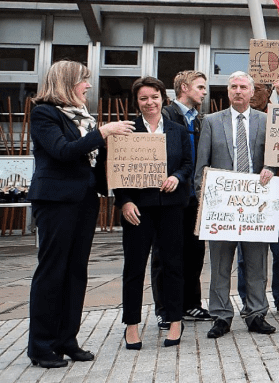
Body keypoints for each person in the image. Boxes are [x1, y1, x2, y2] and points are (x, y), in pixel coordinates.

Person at [26, 61, 133, 368]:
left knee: (76, 272)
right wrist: (102, 132)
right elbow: (62, 151)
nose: (88, 86)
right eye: (84, 81)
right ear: (68, 82)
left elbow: (91, 161)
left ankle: (66, 339)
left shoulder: (84, 119)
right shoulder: (44, 113)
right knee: (52, 272)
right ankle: (42, 346)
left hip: (85, 200)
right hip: (56, 202)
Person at [194, 71, 278, 338]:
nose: (238, 91)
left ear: (252, 92)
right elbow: (201, 167)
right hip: (221, 207)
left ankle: (256, 314)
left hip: (256, 207)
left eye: (243, 86)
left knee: (256, 263)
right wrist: (204, 204)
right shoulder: (211, 121)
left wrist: (271, 169)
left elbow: (276, 157)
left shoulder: (267, 121)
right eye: (233, 87)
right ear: (228, 92)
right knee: (219, 265)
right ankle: (221, 316)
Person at [115, 77, 192, 349]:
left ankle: (174, 321)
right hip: (137, 209)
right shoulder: (126, 131)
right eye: (143, 98)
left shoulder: (177, 130)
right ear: (136, 102)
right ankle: (132, 325)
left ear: (163, 98)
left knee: (173, 265)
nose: (150, 102)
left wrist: (177, 177)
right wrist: (124, 201)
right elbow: (114, 170)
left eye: (154, 97)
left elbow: (186, 163)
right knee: (134, 267)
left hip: (170, 207)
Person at [237, 82, 279, 317]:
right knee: (245, 253)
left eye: (260, 90)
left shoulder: (278, 114)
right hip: (246, 195)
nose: (254, 96)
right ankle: (248, 299)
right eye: (253, 90)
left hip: (278, 194)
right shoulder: (238, 118)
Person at [159, 70, 213, 322]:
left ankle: (191, 303)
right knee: (165, 254)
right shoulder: (166, 115)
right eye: (200, 87)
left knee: (194, 253)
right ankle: (165, 310)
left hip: (195, 197)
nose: (204, 92)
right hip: (171, 194)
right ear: (183, 87)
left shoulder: (200, 120)